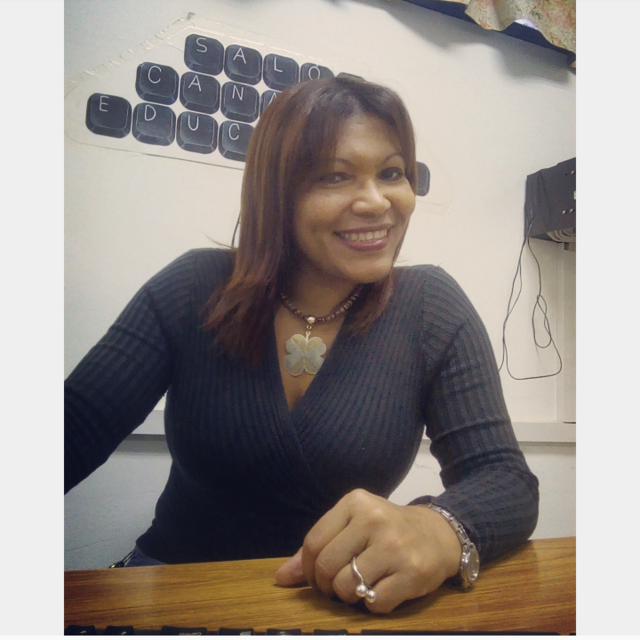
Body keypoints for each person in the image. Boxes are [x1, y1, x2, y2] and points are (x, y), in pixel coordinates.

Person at [65, 76, 539, 614]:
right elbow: (74, 427)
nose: (377, 201)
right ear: (277, 193)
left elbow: (504, 479)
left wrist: (439, 527)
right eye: (335, 176)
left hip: (339, 609)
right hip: (176, 593)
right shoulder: (194, 287)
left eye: (392, 173)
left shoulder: (431, 306)